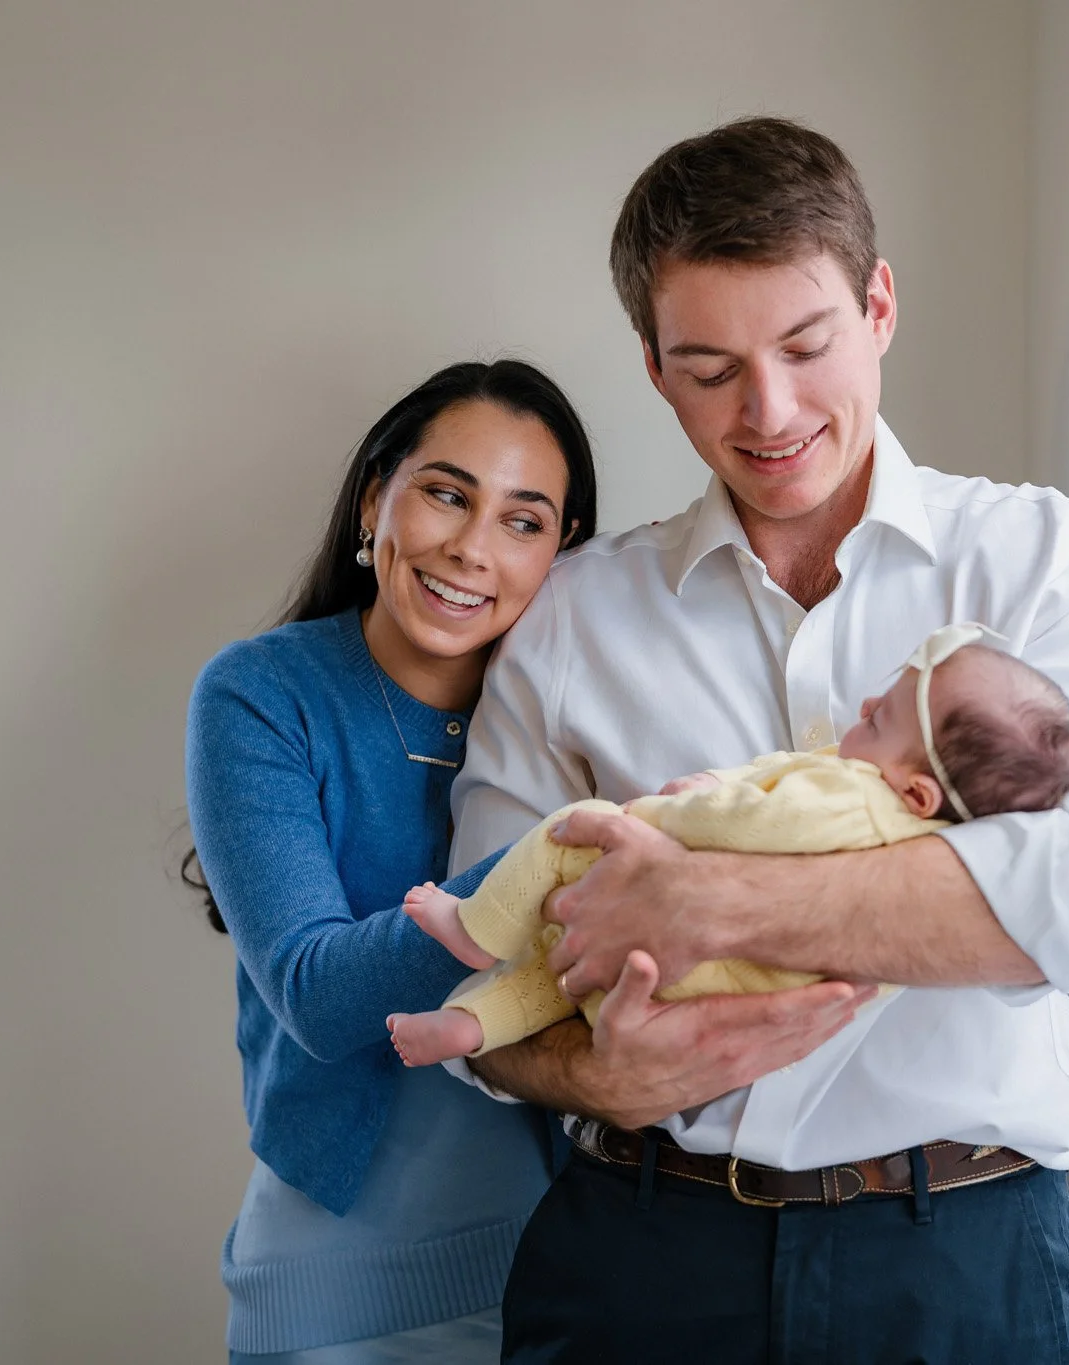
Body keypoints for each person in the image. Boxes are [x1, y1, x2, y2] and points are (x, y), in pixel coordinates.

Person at [444, 118, 1069, 1363]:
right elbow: (485, 944)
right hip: (636, 1255)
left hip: (961, 1263)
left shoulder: (1052, 558)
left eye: (803, 344)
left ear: (878, 305)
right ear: (652, 369)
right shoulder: (572, 612)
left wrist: (706, 906)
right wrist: (587, 1077)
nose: (768, 410)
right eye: (709, 366)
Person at [182, 360, 610, 1363]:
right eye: (446, 494)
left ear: (562, 552)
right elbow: (318, 995)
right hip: (338, 1283)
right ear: (375, 497)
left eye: (522, 519)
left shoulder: (578, 709)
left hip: (569, 1264)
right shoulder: (261, 695)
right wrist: (560, 856)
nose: (470, 548)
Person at [385, 624, 1069, 1066]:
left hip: (686, 970)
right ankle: (466, 1029)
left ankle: (476, 929)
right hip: (700, 992)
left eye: (890, 715)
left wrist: (672, 811)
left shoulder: (860, 797)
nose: (869, 705)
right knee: (562, 979)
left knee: (572, 836)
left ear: (917, 792)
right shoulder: (920, 841)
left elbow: (758, 821)